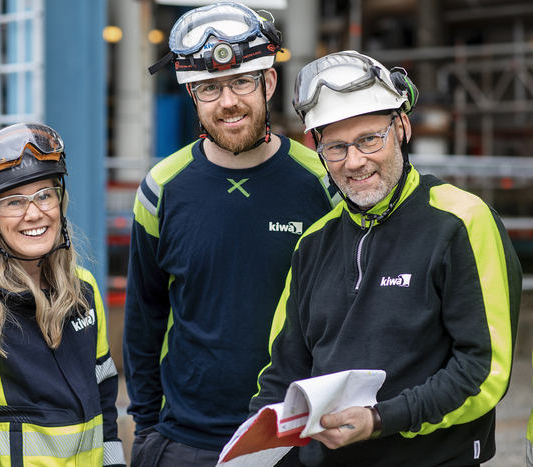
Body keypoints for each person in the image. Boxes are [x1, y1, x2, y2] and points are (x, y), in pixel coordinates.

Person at [249, 50, 523, 466]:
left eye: (369, 139)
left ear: (402, 128)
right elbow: (283, 372)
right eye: (336, 147)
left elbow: (482, 371)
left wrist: (380, 419)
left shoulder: (461, 222)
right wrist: (257, 448)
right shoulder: (314, 242)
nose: (355, 161)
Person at [123, 3, 335, 465]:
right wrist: (145, 428)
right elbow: (144, 318)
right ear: (193, 97)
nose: (228, 101)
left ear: (269, 82)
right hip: (184, 439)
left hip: (291, 437)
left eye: (241, 81)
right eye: (209, 88)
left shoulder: (322, 184)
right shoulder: (162, 188)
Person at [0, 123, 126, 467]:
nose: (34, 213)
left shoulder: (84, 290)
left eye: (44, 195)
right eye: (14, 201)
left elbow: (105, 412)